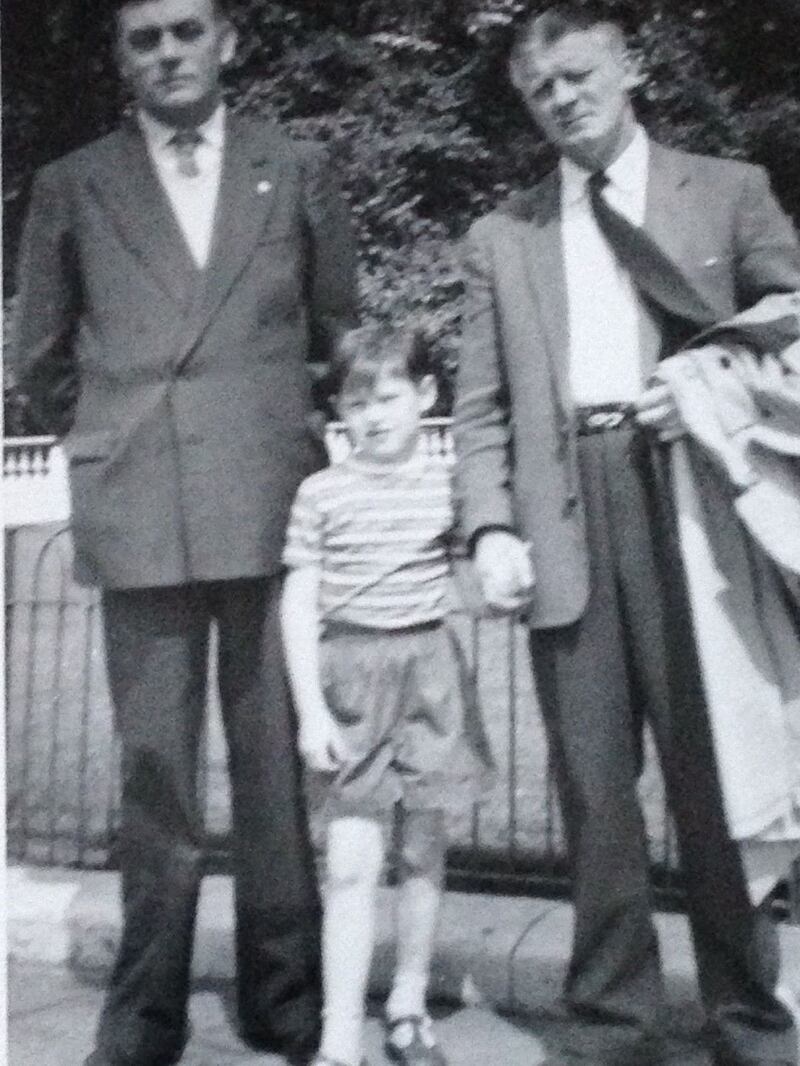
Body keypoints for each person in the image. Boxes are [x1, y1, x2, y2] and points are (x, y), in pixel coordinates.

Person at [452, 5, 800, 1066]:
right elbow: (478, 411)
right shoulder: (498, 235)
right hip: (564, 517)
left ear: (626, 65)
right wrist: (486, 529)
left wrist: (703, 381)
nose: (561, 97)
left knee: (716, 776)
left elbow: (792, 323)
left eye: (576, 71)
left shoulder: (727, 187)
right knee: (593, 790)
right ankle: (611, 1026)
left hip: (694, 506)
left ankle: (747, 1020)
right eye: (538, 87)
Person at [11, 1, 357, 1064]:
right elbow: (38, 358)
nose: (168, 52)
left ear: (228, 42)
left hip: (268, 508)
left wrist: (274, 431)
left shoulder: (296, 166)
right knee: (154, 777)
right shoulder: (71, 184)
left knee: (271, 771)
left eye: (186, 31)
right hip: (141, 513)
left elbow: (338, 329)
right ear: (121, 57)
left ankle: (286, 1001)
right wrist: (116, 436)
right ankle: (143, 1015)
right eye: (144, 37)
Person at [280, 324, 490, 1066]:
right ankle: (341, 1031)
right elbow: (300, 603)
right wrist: (310, 710)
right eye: (356, 401)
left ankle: (407, 1002)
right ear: (338, 408)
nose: (373, 415)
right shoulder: (320, 494)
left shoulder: (449, 486)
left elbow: (473, 580)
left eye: (390, 397)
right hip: (351, 683)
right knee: (349, 860)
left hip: (430, 675)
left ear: (425, 397)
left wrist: (499, 572)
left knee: (424, 852)